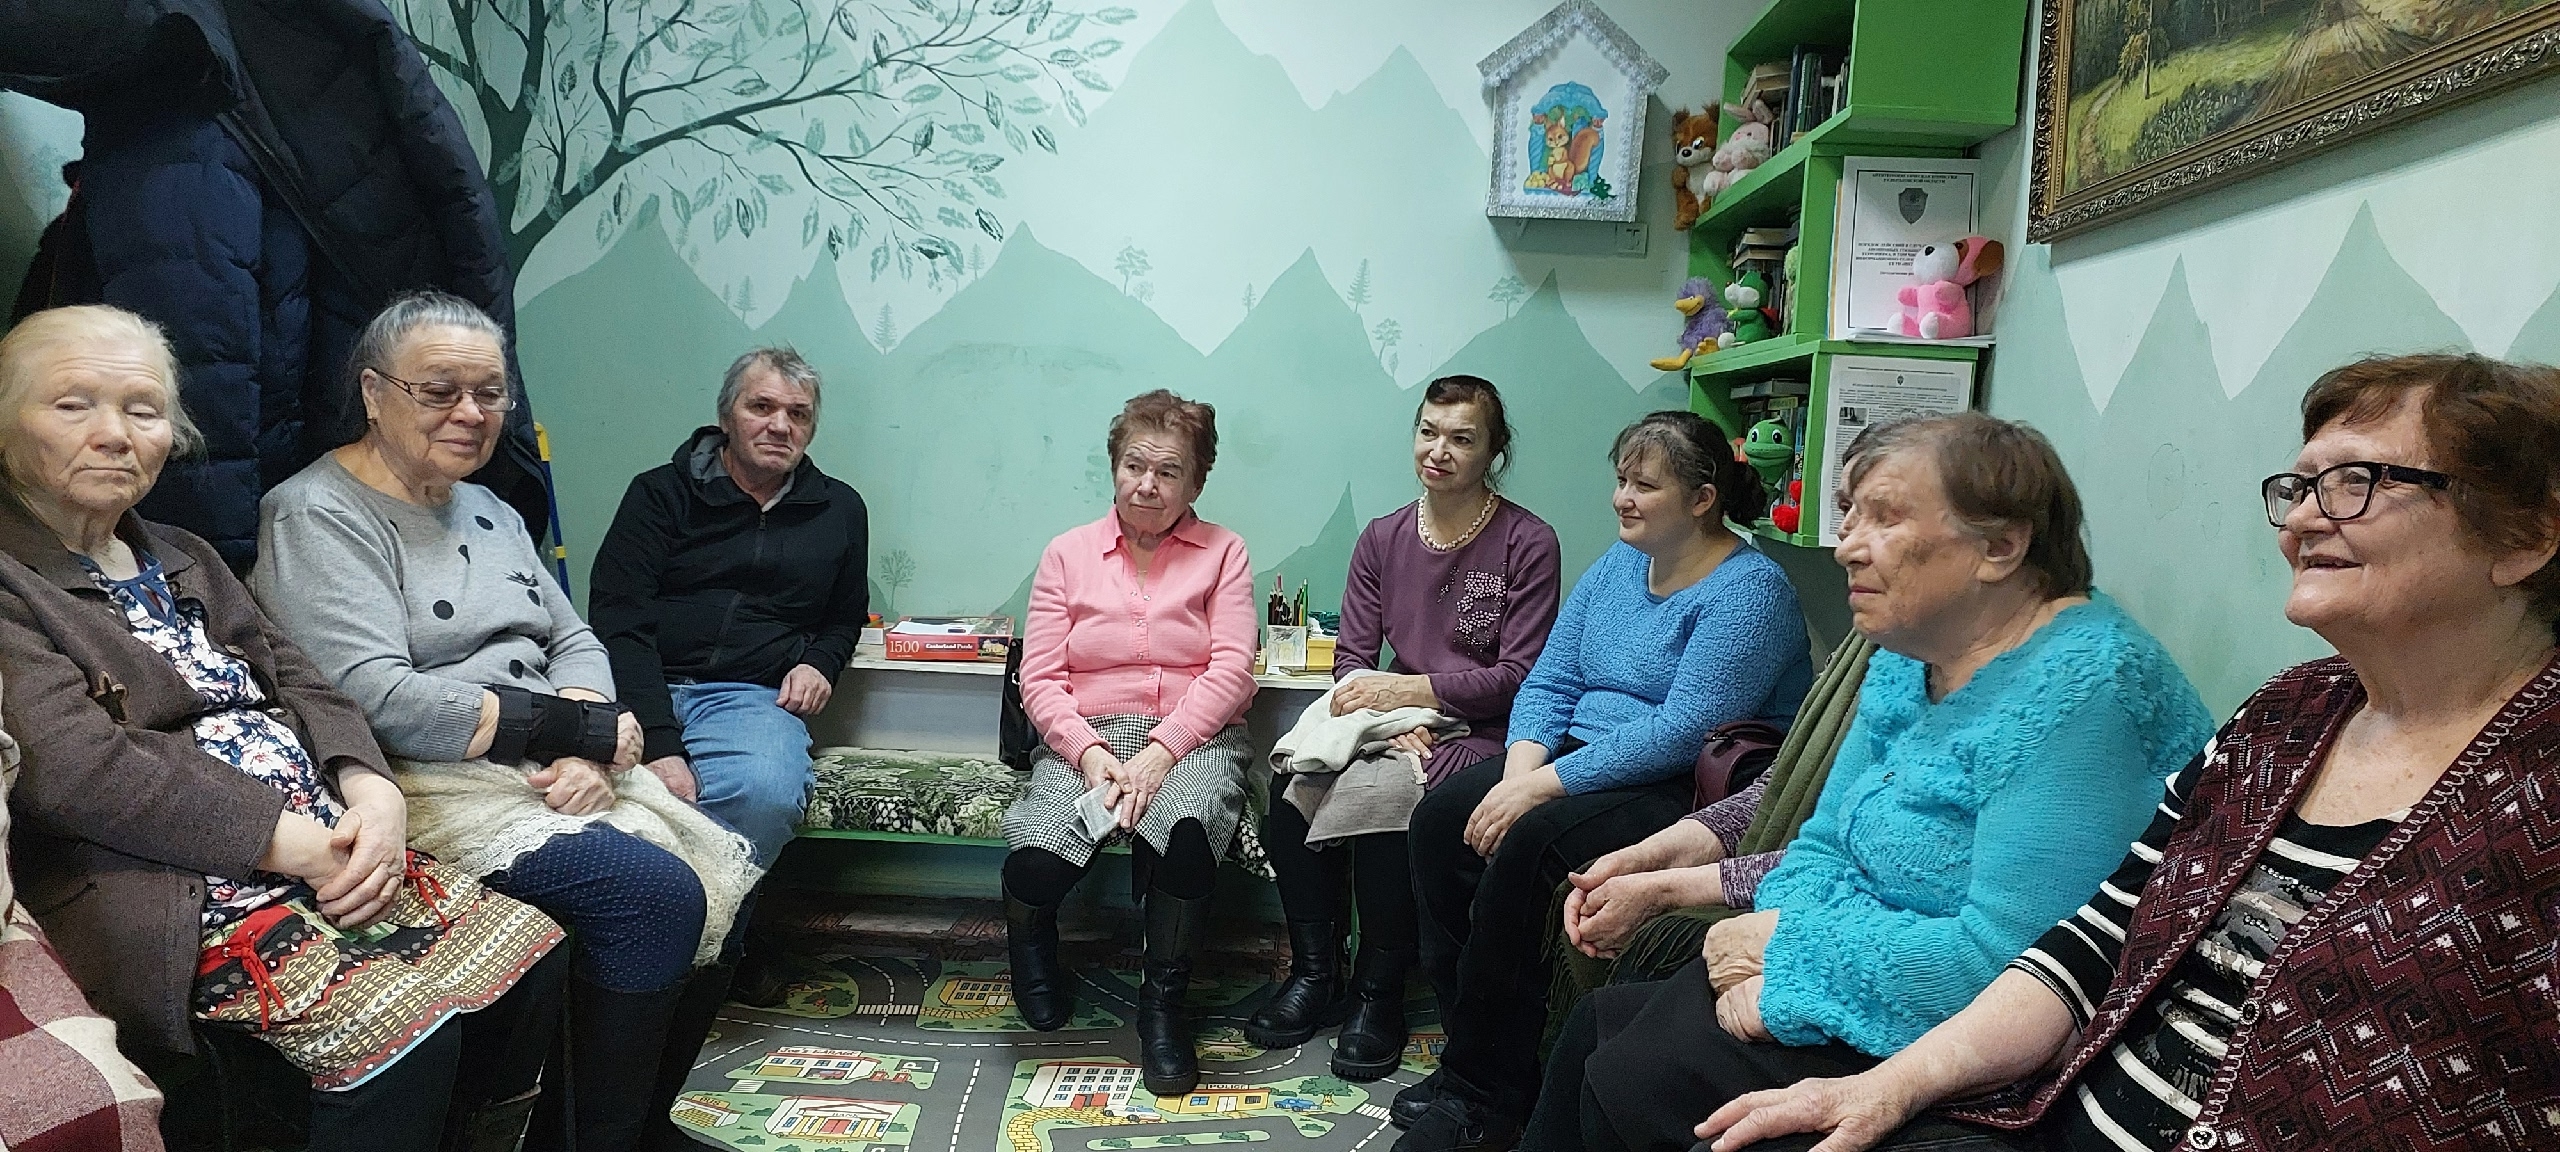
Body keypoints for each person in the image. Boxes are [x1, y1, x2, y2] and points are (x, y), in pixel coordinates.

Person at [1697, 355, 2560, 1152]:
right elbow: (2095, 941)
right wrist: (1887, 1090)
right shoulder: (2289, 713)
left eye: (2357, 483)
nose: (2303, 518)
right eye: (2299, 487)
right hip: (2054, 1114)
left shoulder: (2536, 778)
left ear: (2526, 537)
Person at [1519, 412, 2215, 1152]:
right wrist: (1778, 937)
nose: (1847, 546)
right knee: (1599, 1035)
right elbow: (1823, 845)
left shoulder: (2085, 692)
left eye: (1883, 518)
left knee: (1635, 1079)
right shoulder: (1910, 653)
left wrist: (1792, 965)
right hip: (1864, 967)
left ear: (2001, 547)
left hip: (1994, 1051)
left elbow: (2019, 967)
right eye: (1850, 514)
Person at [0, 305, 564, 1152]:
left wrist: (374, 792)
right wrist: (291, 844)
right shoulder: (12, 583)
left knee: (535, 955)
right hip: (170, 880)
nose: (115, 434)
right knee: (399, 1030)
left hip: (321, 841)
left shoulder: (183, 554)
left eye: (144, 410)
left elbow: (303, 680)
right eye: (73, 404)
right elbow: (76, 770)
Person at [250, 293, 759, 1152]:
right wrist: (577, 733)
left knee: (726, 883)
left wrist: (590, 738)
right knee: (651, 894)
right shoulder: (316, 512)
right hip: (416, 779)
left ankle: (639, 1122)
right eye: (439, 390)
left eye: (490, 393)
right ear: (373, 393)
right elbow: (373, 695)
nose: (471, 413)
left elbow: (574, 637)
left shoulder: (490, 506)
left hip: (537, 759)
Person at [1392, 410, 1817, 1152]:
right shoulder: (1621, 563)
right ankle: (1479, 1051)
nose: (1622, 498)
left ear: (1702, 499)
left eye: (1644, 486)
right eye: (1622, 480)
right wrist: (1520, 771)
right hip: (1582, 758)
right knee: (1441, 821)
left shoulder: (1751, 592)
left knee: (1528, 848)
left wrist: (1538, 792)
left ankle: (1484, 1100)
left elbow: (1683, 729)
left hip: (1685, 783)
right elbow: (1552, 677)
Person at [1245, 375, 1562, 1080]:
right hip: (1393, 721)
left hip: (1483, 731)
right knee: (1291, 795)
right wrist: (1389, 717)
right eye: (1428, 431)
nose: (1438, 451)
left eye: (1461, 438)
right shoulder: (1383, 537)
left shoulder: (1528, 541)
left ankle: (1378, 990)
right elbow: (1352, 659)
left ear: (1494, 451)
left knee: (1385, 803)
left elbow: (1519, 675)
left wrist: (1414, 694)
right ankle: (1315, 973)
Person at [588, 346, 869, 1002]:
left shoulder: (839, 509)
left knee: (763, 793)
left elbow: (843, 618)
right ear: (726, 417)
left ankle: (707, 951)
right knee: (607, 799)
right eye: (761, 406)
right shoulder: (658, 494)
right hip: (637, 680)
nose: (780, 425)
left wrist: (820, 662)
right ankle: (669, 945)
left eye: (798, 414)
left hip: (748, 694)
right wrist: (660, 744)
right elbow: (618, 622)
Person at [1001, 389, 1257, 1097]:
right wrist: (1089, 755)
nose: (1147, 484)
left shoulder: (1224, 553)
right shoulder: (1067, 554)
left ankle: (1162, 1006)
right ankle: (1030, 945)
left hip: (1195, 738)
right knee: (1037, 860)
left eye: (1168, 471)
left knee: (1185, 837)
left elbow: (1232, 670)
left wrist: (1162, 751)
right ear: (1114, 468)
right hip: (1084, 738)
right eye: (1134, 466)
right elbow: (1039, 678)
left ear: (1195, 483)